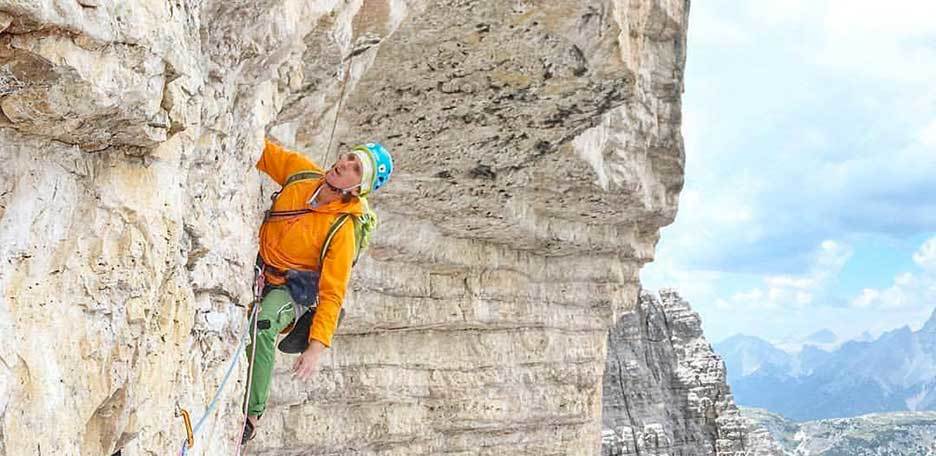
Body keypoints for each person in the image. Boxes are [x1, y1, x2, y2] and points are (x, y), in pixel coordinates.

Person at [242, 137, 393, 444]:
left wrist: (316, 346)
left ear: (356, 188)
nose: (344, 164)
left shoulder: (342, 230)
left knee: (264, 323)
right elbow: (257, 147)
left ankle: (252, 414)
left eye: (355, 169)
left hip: (290, 290)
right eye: (349, 157)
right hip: (260, 265)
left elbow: (333, 293)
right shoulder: (301, 173)